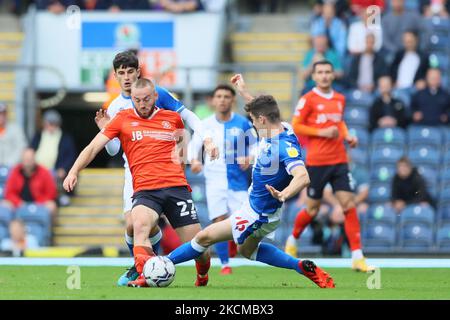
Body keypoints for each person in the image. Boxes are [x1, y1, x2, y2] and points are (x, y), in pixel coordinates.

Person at [166, 75, 335, 289]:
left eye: (254, 121)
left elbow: (303, 176)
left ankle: (161, 263)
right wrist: (243, 91)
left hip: (258, 214)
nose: (253, 124)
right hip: (258, 208)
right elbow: (263, 107)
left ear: (262, 120)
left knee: (204, 237)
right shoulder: (282, 127)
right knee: (248, 251)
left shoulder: (283, 147)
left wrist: (284, 194)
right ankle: (300, 266)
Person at [64, 78, 212, 288]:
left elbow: (181, 143)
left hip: (176, 188)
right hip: (145, 190)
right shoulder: (122, 119)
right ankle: (145, 275)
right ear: (131, 98)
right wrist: (73, 171)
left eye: (146, 99)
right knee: (139, 226)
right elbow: (93, 147)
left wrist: (183, 163)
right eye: (136, 99)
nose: (141, 104)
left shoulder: (172, 118)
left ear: (155, 97)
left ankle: (203, 275)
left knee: (200, 245)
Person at [94, 51, 218, 286]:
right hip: (135, 172)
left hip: (165, 172)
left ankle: (190, 269)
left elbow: (187, 116)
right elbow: (113, 150)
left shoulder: (155, 93)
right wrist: (104, 129)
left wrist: (207, 139)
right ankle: (145, 269)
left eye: (131, 71)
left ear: (138, 72)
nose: (127, 77)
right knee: (134, 225)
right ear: (116, 76)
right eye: (122, 73)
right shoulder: (114, 106)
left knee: (196, 243)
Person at [285, 60, 375, 273]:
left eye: (328, 72)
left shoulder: (340, 98)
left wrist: (347, 136)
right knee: (312, 209)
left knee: (348, 205)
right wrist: (321, 132)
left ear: (333, 75)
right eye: (320, 72)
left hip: (340, 160)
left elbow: (339, 122)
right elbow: (296, 125)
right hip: (317, 162)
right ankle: (292, 239)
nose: (324, 76)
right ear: (314, 76)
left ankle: (357, 257)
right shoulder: (308, 99)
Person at [188, 84, 256, 275]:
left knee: (243, 221)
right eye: (219, 96)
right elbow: (194, 145)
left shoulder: (242, 123)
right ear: (213, 100)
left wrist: (249, 158)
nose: (222, 99)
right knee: (218, 220)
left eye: (226, 96)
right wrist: (194, 161)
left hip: (238, 181)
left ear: (233, 100)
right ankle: (225, 264)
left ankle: (234, 242)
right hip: (214, 180)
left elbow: (256, 144)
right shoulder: (205, 124)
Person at [30, 109, 76, 206]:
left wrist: (63, 168)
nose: (51, 126)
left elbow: (71, 156)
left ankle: (58, 198)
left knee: (56, 177)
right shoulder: (38, 135)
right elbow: (31, 150)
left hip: (55, 171)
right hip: (37, 170)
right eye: (49, 123)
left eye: (54, 124)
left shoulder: (65, 137)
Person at [3, 149, 58, 221]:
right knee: (4, 204)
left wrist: (38, 203)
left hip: (40, 203)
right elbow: (9, 193)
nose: (27, 163)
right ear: (22, 160)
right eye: (26, 159)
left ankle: (48, 231)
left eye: (30, 159)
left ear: (34, 159)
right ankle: (11, 230)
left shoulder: (44, 172)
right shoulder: (15, 172)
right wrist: (19, 203)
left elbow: (51, 193)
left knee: (52, 206)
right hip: (20, 203)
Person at [0, 102, 27, 168]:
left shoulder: (15, 129)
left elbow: (21, 148)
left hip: (11, 167)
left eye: (3, 113)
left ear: (6, 114)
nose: (1, 116)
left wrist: (8, 164)